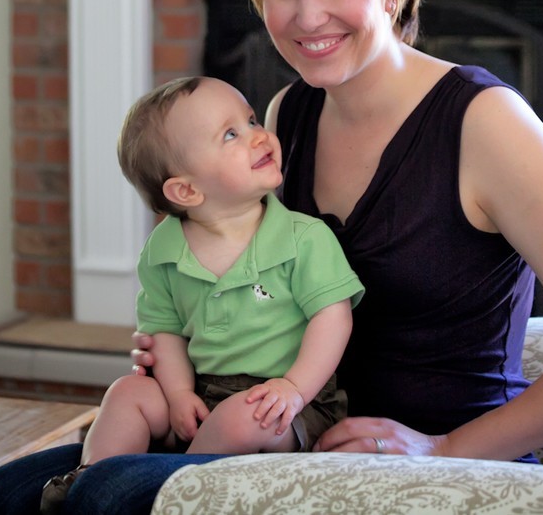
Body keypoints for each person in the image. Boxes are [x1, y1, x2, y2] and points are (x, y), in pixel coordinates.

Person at [0, 0, 543, 514]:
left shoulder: (486, 123)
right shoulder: (291, 112)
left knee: (109, 496)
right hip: (292, 433)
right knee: (3, 493)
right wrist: (186, 344)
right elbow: (267, 277)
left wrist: (443, 449)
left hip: (443, 466)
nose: (307, 17)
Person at [38, 75, 363, 513]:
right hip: (201, 392)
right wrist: (177, 395)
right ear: (186, 190)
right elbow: (164, 331)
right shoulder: (164, 250)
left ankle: (173, 489)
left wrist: (294, 388)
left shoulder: (303, 238)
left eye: (251, 120)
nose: (258, 135)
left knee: (242, 416)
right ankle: (91, 475)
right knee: (127, 393)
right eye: (231, 134)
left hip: (288, 405)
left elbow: (333, 318)